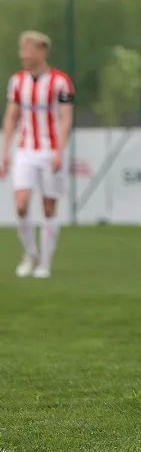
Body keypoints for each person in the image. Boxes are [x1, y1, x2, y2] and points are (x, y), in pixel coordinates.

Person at [2, 31, 73, 279]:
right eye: (22, 50)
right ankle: (31, 253)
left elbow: (65, 119)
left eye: (27, 49)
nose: (23, 54)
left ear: (41, 51)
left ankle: (45, 261)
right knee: (20, 204)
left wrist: (59, 152)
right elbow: (11, 116)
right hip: (25, 150)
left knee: (48, 207)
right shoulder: (17, 81)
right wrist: (5, 151)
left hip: (50, 151)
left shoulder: (61, 82)